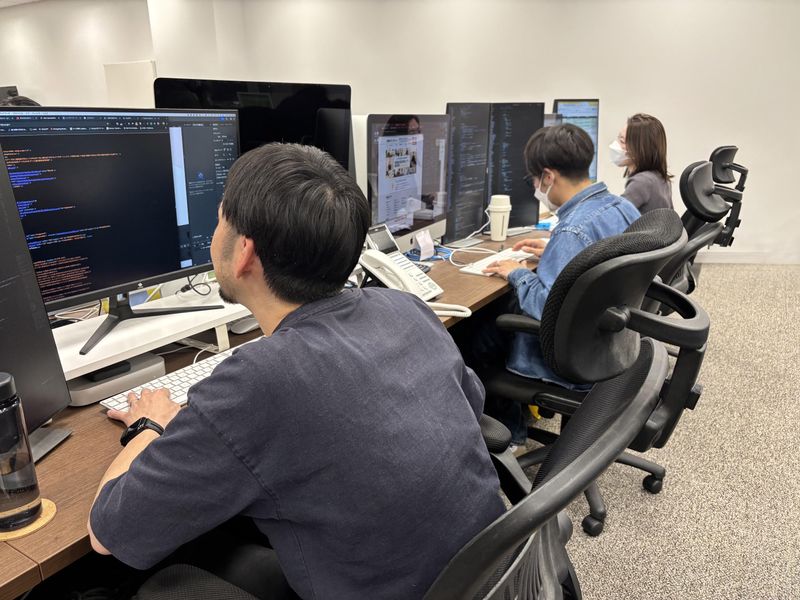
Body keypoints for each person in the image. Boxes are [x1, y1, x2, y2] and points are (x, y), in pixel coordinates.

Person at [87, 143, 504, 600]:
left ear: (244, 252)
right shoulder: (405, 308)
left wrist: (148, 426)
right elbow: (470, 409)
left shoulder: (259, 382)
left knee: (160, 586)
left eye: (220, 218)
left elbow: (108, 533)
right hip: (495, 575)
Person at [471, 124, 640, 447]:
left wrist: (515, 272)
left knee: (474, 333)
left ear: (548, 177)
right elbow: (598, 260)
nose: (535, 187)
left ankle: (506, 439)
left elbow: (547, 308)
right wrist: (554, 251)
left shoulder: (571, 233)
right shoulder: (622, 208)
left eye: (533, 180)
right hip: (612, 344)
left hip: (571, 356)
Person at [609, 113, 673, 213]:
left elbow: (614, 217)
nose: (616, 145)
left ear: (639, 149)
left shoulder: (642, 182)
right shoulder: (659, 178)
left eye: (622, 141)